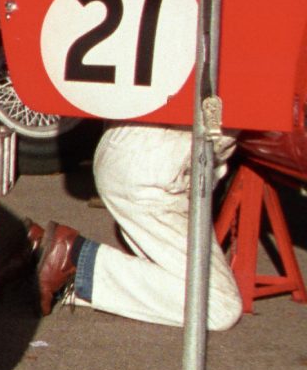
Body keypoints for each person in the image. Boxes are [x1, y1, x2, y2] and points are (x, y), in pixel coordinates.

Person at [29, 127, 241, 329]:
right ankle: (74, 258)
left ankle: (36, 253)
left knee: (174, 276)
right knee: (220, 305)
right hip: (155, 172)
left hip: (122, 145)